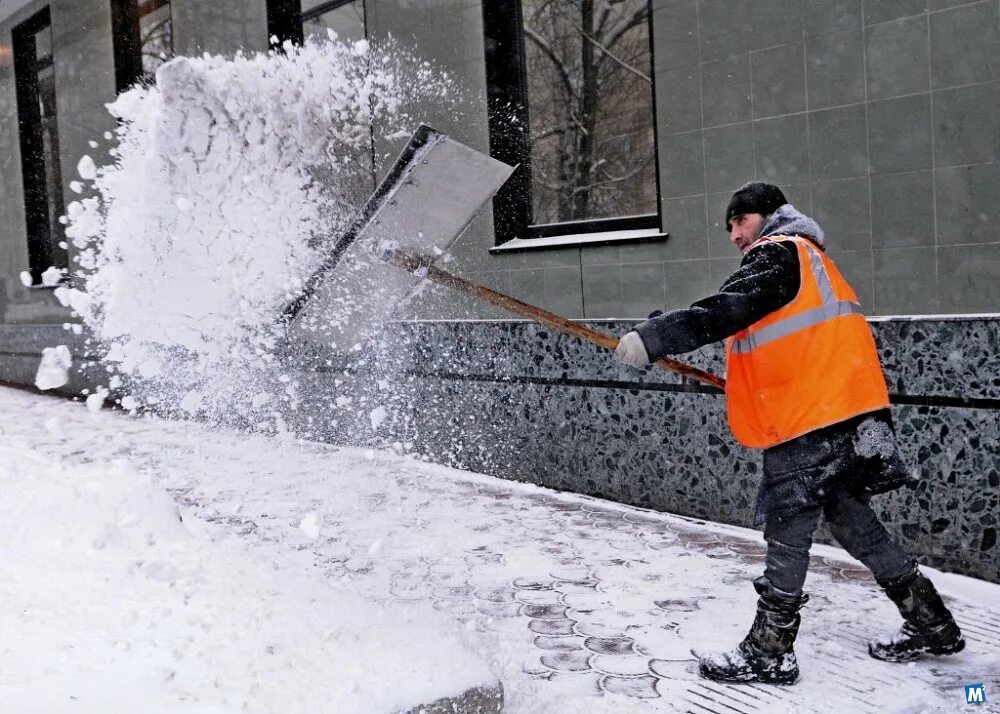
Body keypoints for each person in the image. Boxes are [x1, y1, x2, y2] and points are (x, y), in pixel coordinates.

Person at [613, 182, 965, 685]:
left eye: (741, 220)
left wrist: (653, 338)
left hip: (811, 421)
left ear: (770, 215)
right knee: (850, 520)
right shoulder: (809, 260)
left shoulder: (780, 251)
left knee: (788, 524)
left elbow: (725, 310)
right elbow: (766, 333)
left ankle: (770, 649)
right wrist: (665, 334)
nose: (735, 234)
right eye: (730, 226)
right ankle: (932, 622)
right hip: (848, 413)